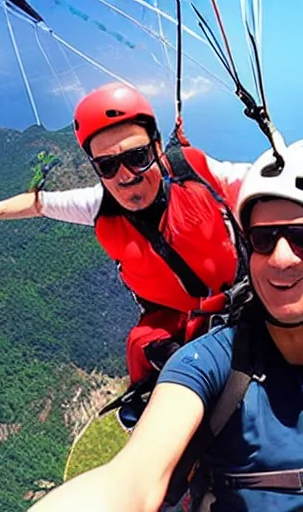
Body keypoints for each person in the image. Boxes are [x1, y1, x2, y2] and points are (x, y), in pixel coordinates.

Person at [28, 137, 303, 512]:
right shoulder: (214, 362)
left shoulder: (196, 177)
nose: (281, 258)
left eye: (301, 238)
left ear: (154, 149)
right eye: (263, 239)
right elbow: (130, 480)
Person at [0, 82, 251, 390]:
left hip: (251, 298)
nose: (125, 175)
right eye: (108, 165)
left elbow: (262, 183)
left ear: (156, 148)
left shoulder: (195, 173)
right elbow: (37, 203)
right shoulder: (100, 206)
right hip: (179, 329)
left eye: (137, 157)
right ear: (96, 168)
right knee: (146, 351)